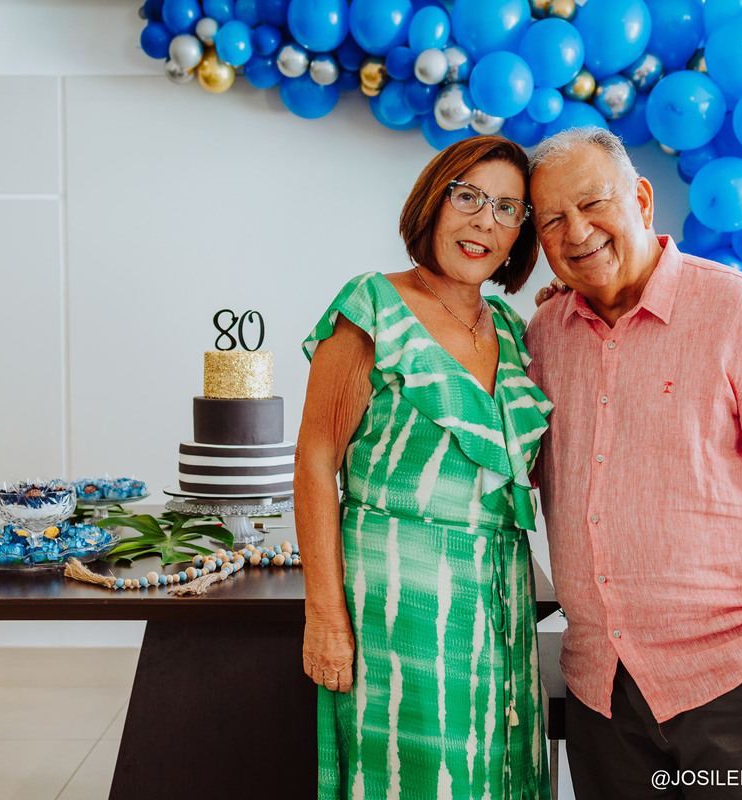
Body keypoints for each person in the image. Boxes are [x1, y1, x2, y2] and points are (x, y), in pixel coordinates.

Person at [524, 127, 742, 800]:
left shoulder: (741, 311)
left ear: (641, 199)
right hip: (603, 688)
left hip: (741, 678)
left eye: (592, 203)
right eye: (552, 220)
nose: (576, 231)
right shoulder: (545, 337)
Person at [295, 135, 555, 800]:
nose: (484, 221)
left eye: (507, 208)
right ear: (433, 203)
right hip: (396, 603)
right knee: (411, 778)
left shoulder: (512, 329)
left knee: (498, 773)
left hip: (501, 600)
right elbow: (315, 462)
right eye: (468, 197)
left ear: (520, 233)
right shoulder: (374, 304)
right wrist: (324, 616)